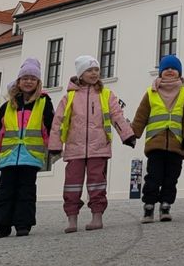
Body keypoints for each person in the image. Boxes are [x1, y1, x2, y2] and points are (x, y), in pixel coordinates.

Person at [48, 55, 136, 232]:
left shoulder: (106, 95)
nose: (94, 73)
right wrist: (55, 145)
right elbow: (58, 122)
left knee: (97, 183)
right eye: (89, 70)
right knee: (72, 184)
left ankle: (97, 216)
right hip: (74, 148)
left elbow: (117, 116)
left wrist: (127, 135)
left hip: (99, 147)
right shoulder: (69, 97)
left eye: (96, 70)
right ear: (81, 74)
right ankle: (72, 219)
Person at [0, 57, 55, 238]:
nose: (28, 81)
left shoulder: (44, 103)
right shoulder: (7, 106)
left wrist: (55, 149)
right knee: (5, 192)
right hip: (9, 156)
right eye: (25, 78)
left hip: (30, 156)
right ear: (19, 82)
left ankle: (23, 224)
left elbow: (51, 127)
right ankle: (1, 226)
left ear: (38, 82)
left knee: (26, 192)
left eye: (32, 78)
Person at [130, 54, 184, 222]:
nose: (170, 71)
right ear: (160, 73)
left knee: (171, 178)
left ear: (179, 73)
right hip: (155, 143)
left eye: (174, 68)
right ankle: (149, 206)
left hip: (176, 144)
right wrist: (132, 134)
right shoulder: (151, 92)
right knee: (153, 177)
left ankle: (166, 205)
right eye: (166, 68)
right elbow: (141, 115)